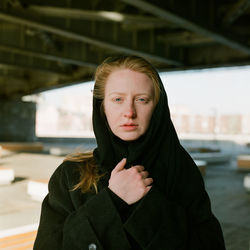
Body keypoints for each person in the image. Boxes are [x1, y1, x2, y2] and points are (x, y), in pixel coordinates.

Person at [34, 55, 225, 250]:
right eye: (118, 99)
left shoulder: (181, 171)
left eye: (142, 99)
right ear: (103, 107)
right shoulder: (71, 175)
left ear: (157, 107)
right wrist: (112, 201)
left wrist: (148, 206)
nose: (129, 112)